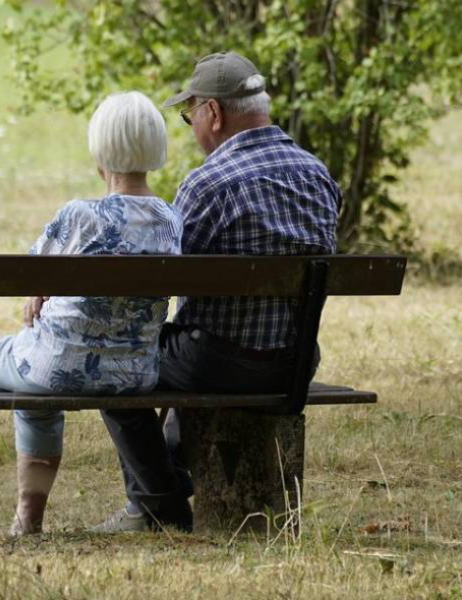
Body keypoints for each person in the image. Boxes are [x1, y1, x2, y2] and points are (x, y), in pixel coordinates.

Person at [92, 52, 342, 533]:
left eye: (190, 117)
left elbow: (163, 280)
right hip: (294, 363)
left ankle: (158, 506)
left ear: (213, 113)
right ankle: (166, 482)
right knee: (185, 347)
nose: (191, 128)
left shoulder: (207, 184)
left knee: (114, 363)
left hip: (218, 363)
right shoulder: (318, 175)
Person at [0, 91, 183, 539]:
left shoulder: (79, 216)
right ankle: (26, 521)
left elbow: (30, 274)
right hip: (133, 375)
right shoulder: (170, 220)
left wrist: (39, 291)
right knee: (35, 386)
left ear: (100, 152)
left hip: (55, 367)